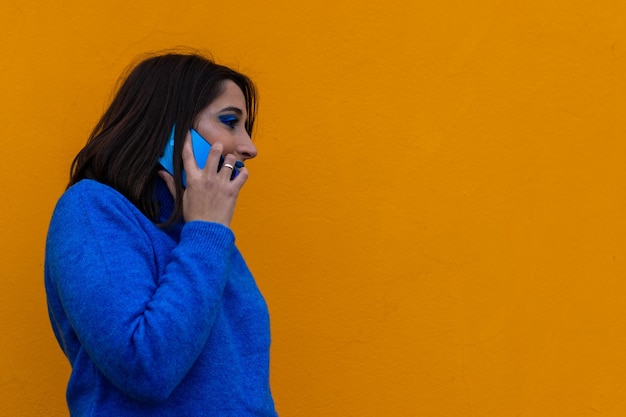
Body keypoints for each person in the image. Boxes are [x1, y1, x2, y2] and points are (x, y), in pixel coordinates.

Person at [44, 51, 278, 416]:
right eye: (230, 121)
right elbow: (144, 366)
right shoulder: (92, 210)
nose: (249, 147)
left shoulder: (204, 236)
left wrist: (204, 230)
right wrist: (206, 231)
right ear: (169, 129)